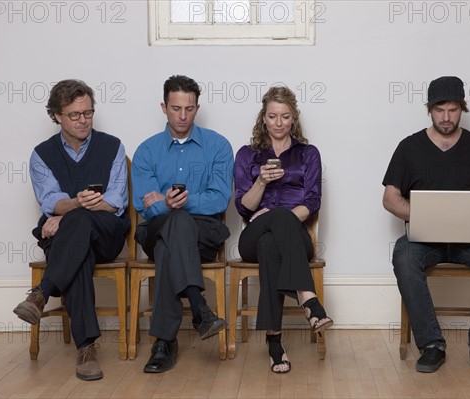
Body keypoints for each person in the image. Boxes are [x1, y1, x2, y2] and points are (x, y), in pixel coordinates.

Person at [382, 76, 470, 373]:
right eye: (439, 110)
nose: (445, 117)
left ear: (462, 109)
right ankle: (431, 345)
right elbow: (390, 198)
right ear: (429, 109)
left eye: (452, 110)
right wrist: (421, 214)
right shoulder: (409, 146)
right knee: (403, 257)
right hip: (423, 239)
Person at [13, 79, 129, 381]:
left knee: (76, 222)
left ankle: (42, 293)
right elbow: (50, 201)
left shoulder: (112, 146)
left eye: (88, 113)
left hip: (107, 233)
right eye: (75, 115)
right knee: (79, 255)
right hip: (66, 241)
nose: (83, 120)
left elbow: (116, 201)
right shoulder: (42, 154)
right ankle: (86, 349)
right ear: (57, 116)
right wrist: (75, 206)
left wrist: (69, 211)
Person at [131, 75, 233, 373]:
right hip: (155, 228)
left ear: (197, 107)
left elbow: (219, 200)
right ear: (164, 107)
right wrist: (166, 206)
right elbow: (142, 205)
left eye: (189, 108)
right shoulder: (147, 150)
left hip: (203, 233)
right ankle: (199, 308)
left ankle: (164, 342)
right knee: (172, 224)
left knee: (170, 241)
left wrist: (171, 201)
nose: (182, 115)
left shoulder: (218, 146)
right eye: (176, 108)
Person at [234, 86, 333, 374]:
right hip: (251, 235)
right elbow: (244, 207)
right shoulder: (247, 155)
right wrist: (261, 182)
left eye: (285, 116)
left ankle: (274, 343)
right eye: (272, 116)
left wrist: (281, 217)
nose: (279, 123)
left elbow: (312, 203)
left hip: (294, 238)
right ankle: (308, 299)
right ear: (263, 118)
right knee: (265, 235)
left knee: (271, 244)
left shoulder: (308, 154)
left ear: (294, 118)